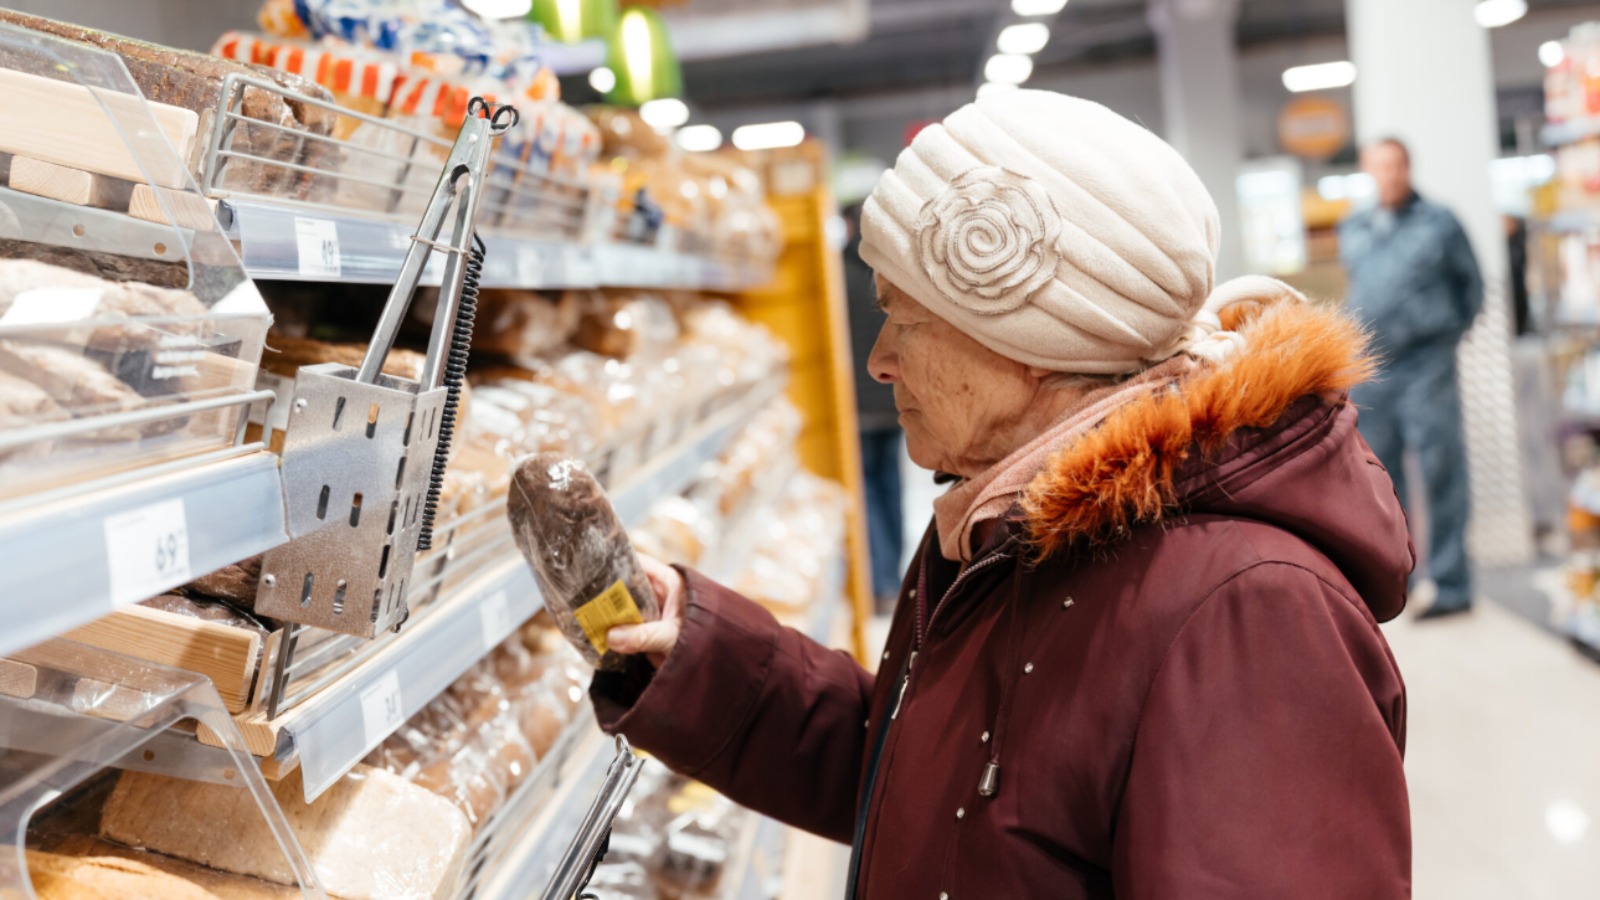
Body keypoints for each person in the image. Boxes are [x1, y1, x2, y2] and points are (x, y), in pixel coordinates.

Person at [588, 91, 1413, 898]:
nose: (879, 360)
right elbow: (934, 790)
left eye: (905, 320)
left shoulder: (1251, 614)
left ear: (1029, 342)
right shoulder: (1002, 527)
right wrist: (695, 656)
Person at [1341, 137, 1483, 620]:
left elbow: (1473, 287)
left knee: (1441, 469)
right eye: (1379, 166)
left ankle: (1450, 583)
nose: (1389, 175)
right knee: (1380, 477)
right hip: (1373, 367)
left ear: (1408, 167)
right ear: (1368, 170)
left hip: (1427, 364)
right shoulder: (1354, 227)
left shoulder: (1439, 223)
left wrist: (1444, 337)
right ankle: (1394, 578)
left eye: (1396, 165)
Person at [843, 201, 907, 613]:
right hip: (896, 401)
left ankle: (881, 583)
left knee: (865, 489)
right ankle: (894, 577)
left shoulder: (837, 275)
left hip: (857, 406)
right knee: (890, 486)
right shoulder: (894, 274)